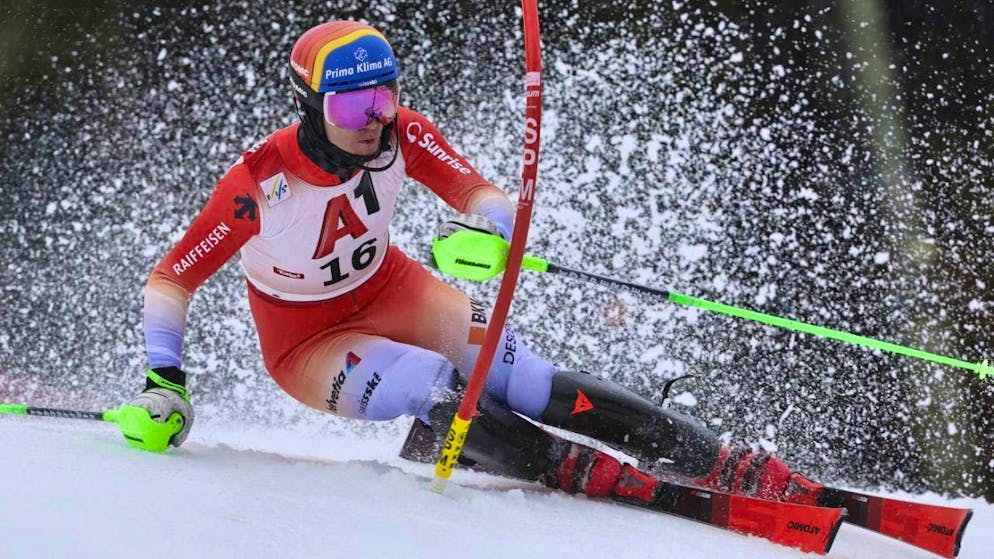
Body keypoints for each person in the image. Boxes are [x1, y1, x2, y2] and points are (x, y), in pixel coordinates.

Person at [125, 20, 826, 506]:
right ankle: (580, 472)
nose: (374, 116)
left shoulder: (404, 132)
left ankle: (709, 456)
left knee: (520, 374)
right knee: (436, 386)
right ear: (311, 104)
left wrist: (499, 226)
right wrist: (167, 381)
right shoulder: (258, 183)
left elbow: (480, 192)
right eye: (353, 102)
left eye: (385, 94)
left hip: (391, 287)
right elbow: (171, 278)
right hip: (308, 340)